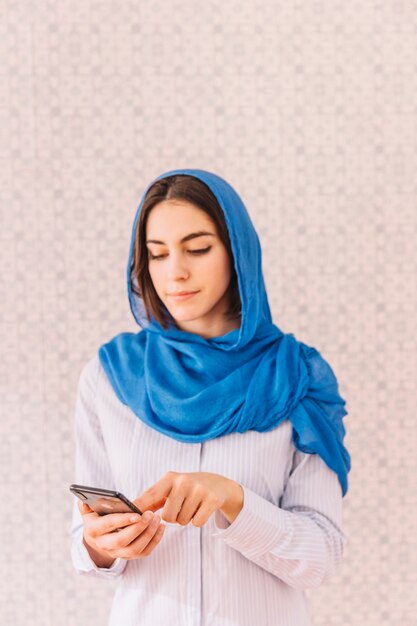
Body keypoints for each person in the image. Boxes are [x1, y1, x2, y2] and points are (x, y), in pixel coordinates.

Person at [69, 168, 351, 626]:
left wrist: (233, 500)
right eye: (156, 255)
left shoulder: (296, 377)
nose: (175, 272)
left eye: (197, 249)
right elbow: (83, 540)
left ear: (237, 252)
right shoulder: (109, 376)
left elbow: (320, 557)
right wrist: (99, 544)